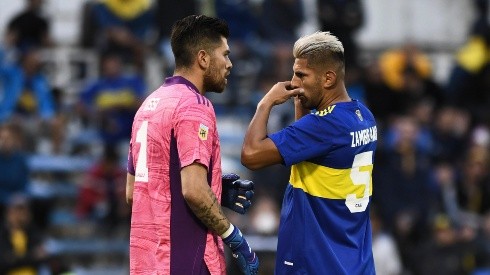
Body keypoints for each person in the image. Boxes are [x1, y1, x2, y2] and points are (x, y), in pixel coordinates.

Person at [126, 15, 258, 275]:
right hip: (185, 260)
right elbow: (194, 190)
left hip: (147, 263)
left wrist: (215, 190)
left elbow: (134, 192)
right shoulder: (193, 106)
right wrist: (234, 237)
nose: (230, 64)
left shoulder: (148, 105)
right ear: (203, 58)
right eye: (225, 55)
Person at [241, 31, 377, 274]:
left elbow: (251, 154)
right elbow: (308, 148)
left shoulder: (323, 127)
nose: (293, 82)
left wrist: (266, 103)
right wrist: (299, 103)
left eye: (301, 75)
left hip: (316, 262)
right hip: (354, 260)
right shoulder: (364, 117)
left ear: (328, 78)